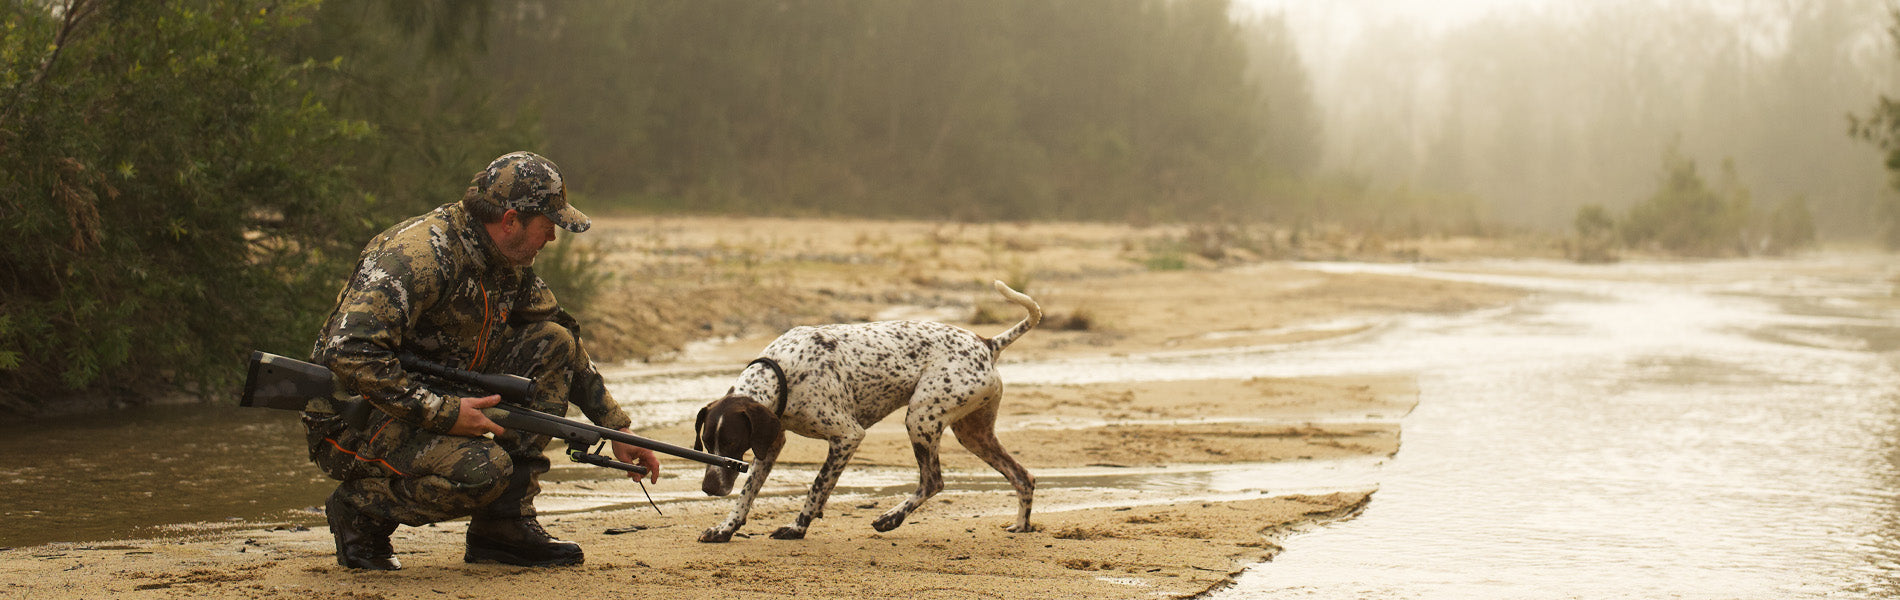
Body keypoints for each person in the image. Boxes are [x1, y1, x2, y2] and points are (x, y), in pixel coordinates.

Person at [302, 151, 660, 570]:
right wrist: (445, 413)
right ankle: (360, 513)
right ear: (510, 220)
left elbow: (562, 340)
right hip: (354, 420)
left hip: (438, 396)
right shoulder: (417, 257)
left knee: (554, 341)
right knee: (483, 471)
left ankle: (503, 526)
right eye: (547, 227)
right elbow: (349, 351)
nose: (552, 239)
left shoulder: (507, 257)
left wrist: (615, 425)